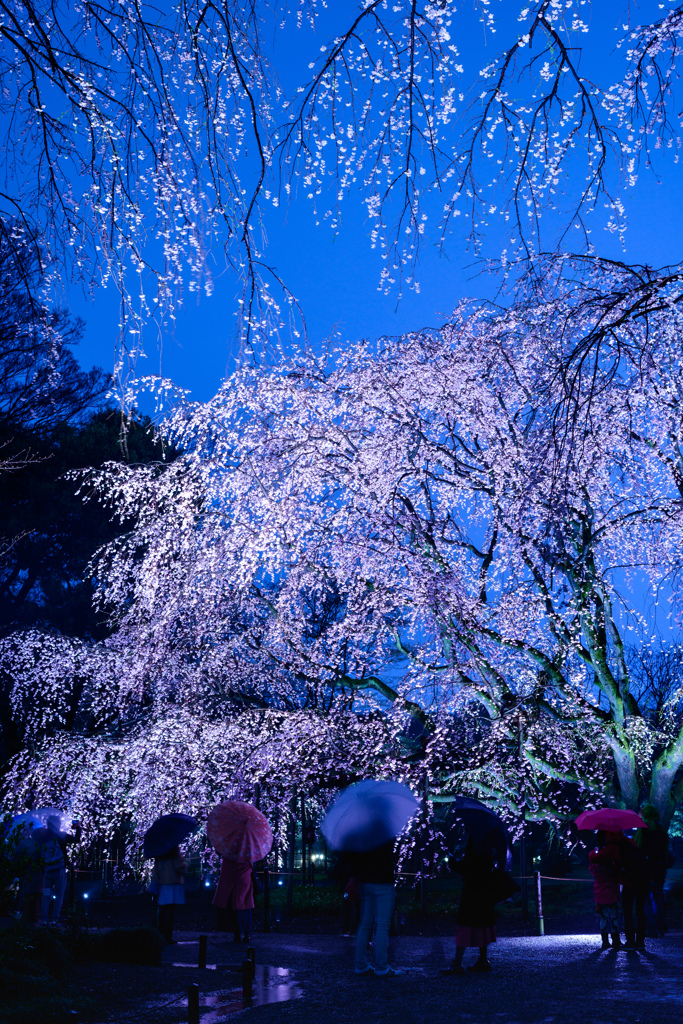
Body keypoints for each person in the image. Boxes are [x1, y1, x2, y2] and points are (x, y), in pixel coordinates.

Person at [441, 837, 497, 974]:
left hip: (472, 893)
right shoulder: (489, 845)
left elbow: (469, 868)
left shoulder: (475, 843)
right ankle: (483, 960)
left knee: (465, 926)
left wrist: (453, 861)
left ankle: (457, 963)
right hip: (484, 893)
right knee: (482, 926)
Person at [352, 839, 401, 977]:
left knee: (365, 923)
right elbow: (392, 853)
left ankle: (360, 964)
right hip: (383, 880)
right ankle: (381, 966)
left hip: (366, 880)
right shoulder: (386, 832)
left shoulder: (363, 832)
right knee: (383, 925)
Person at [636, 804, 670, 937]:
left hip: (646, 867)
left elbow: (636, 846)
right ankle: (661, 926)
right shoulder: (662, 829)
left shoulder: (643, 828)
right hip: (660, 868)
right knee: (658, 897)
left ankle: (651, 928)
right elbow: (666, 850)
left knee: (646, 898)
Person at [41, 815, 81, 925]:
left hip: (48, 871)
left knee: (46, 894)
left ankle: (44, 918)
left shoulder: (43, 836)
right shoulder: (62, 836)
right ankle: (54, 919)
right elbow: (77, 840)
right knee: (59, 895)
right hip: (59, 870)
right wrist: (78, 827)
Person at [589, 830, 622, 949]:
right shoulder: (611, 856)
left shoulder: (595, 855)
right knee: (614, 917)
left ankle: (604, 941)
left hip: (600, 891)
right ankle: (616, 941)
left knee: (603, 917)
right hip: (612, 891)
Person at [213, 858, 257, 942]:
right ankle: (247, 934)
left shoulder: (230, 850)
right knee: (247, 905)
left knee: (237, 906)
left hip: (233, 878)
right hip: (246, 877)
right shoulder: (249, 849)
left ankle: (237, 934)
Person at [619, 832, 649, 951]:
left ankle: (630, 941)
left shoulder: (618, 847)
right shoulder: (631, 844)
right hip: (643, 879)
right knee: (640, 909)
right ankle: (640, 941)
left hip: (630, 880)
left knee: (627, 910)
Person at [152, 845, 188, 943]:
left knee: (162, 911)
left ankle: (160, 934)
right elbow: (181, 869)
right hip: (174, 886)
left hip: (163, 886)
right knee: (171, 912)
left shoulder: (159, 858)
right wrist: (183, 862)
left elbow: (155, 873)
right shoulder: (175, 858)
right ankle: (168, 936)